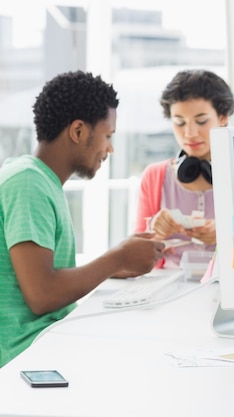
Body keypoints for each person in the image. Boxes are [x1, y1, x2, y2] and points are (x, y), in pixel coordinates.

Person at [0, 71, 165, 367]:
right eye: (108, 136)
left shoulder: (40, 180)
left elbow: (44, 279)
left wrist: (114, 265)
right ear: (78, 131)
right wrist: (116, 259)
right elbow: (42, 294)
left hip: (43, 342)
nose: (110, 149)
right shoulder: (27, 182)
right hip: (23, 356)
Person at [135, 69, 234, 268]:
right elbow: (135, 255)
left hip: (230, 288)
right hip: (170, 287)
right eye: (179, 122)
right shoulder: (155, 176)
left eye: (201, 121)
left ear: (222, 117)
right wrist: (154, 231)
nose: (189, 133)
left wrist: (228, 235)